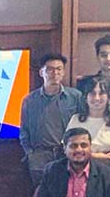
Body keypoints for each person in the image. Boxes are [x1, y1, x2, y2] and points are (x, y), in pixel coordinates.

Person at [20, 53, 83, 188]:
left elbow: (83, 125)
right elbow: (24, 132)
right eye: (50, 69)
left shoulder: (75, 97)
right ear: (41, 72)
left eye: (59, 69)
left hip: (68, 155)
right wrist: (31, 154)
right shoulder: (30, 100)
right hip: (40, 157)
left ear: (63, 72)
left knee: (69, 196)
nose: (55, 73)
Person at [66, 77, 110, 167]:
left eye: (102, 93)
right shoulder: (76, 119)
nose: (97, 98)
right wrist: (95, 157)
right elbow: (67, 147)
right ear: (86, 97)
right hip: (79, 168)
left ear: (108, 97)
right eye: (92, 93)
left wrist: (100, 159)